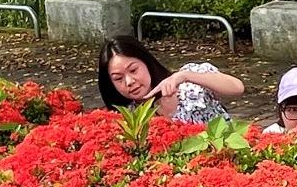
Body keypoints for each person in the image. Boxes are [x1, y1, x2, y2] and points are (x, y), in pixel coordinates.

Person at [97, 36, 242, 124]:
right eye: (118, 78)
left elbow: (237, 88)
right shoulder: (129, 118)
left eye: (133, 70)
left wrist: (185, 76)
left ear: (147, 62)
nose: (129, 81)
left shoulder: (188, 82)